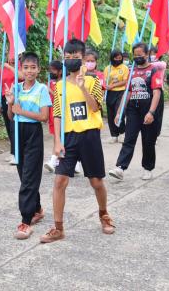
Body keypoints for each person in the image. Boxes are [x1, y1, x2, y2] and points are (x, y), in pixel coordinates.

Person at [40, 39, 115, 244]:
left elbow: (95, 108)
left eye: (76, 57)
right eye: (68, 57)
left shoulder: (94, 82)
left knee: (96, 181)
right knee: (59, 181)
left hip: (89, 136)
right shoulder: (59, 86)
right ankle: (58, 228)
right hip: (68, 138)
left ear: (83, 59)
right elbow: (57, 114)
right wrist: (56, 141)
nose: (71, 60)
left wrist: (82, 87)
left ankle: (104, 214)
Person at [5, 52, 51, 240]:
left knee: (29, 177)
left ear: (38, 69)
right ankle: (37, 208)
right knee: (23, 174)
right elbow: (11, 116)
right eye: (26, 67)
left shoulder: (42, 89)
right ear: (21, 69)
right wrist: (10, 104)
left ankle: (25, 220)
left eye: (33, 67)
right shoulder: (15, 88)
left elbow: (44, 117)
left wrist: (20, 110)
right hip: (17, 133)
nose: (30, 71)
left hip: (33, 134)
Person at [108, 42, 164, 181]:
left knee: (148, 141)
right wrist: (120, 111)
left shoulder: (154, 70)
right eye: (135, 55)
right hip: (133, 109)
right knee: (129, 138)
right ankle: (120, 167)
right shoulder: (131, 70)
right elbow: (127, 92)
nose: (137, 57)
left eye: (140, 54)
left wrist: (151, 112)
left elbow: (157, 92)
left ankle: (148, 168)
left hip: (148, 108)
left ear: (147, 54)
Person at [0, 59, 24, 165]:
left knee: (14, 125)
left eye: (14, 55)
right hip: (5, 97)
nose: (12, 58)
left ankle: (17, 152)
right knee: (8, 125)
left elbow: (22, 77)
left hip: (17, 98)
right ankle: (13, 151)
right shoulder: (2, 69)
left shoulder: (22, 66)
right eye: (10, 55)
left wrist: (9, 67)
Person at [103, 50, 129, 144]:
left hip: (121, 92)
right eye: (116, 58)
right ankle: (114, 135)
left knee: (119, 113)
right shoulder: (107, 68)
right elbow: (105, 81)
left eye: (120, 58)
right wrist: (106, 86)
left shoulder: (125, 68)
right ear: (112, 58)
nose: (118, 59)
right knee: (110, 115)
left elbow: (125, 81)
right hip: (110, 93)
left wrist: (114, 85)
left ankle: (122, 133)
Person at [44, 60, 62, 173]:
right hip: (51, 112)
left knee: (58, 136)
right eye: (50, 70)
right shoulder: (51, 82)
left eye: (53, 70)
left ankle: (54, 159)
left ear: (60, 71)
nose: (51, 72)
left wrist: (49, 90)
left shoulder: (64, 82)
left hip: (59, 113)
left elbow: (60, 97)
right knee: (56, 136)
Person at [149, 47, 166, 140]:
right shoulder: (148, 64)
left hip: (158, 90)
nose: (153, 56)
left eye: (155, 53)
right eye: (151, 54)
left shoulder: (162, 64)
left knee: (158, 114)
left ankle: (156, 134)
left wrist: (148, 63)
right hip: (149, 92)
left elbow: (157, 65)